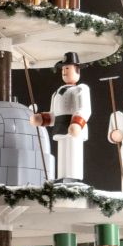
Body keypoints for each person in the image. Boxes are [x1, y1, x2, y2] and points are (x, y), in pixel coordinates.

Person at [29, 51, 91, 181]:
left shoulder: (81, 89)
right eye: (63, 68)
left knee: (74, 152)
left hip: (74, 126)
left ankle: (74, 178)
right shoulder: (56, 93)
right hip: (60, 126)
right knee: (63, 153)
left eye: (67, 68)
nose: (64, 71)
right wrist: (41, 118)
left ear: (77, 70)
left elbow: (84, 109)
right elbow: (53, 115)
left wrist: (77, 123)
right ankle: (62, 177)